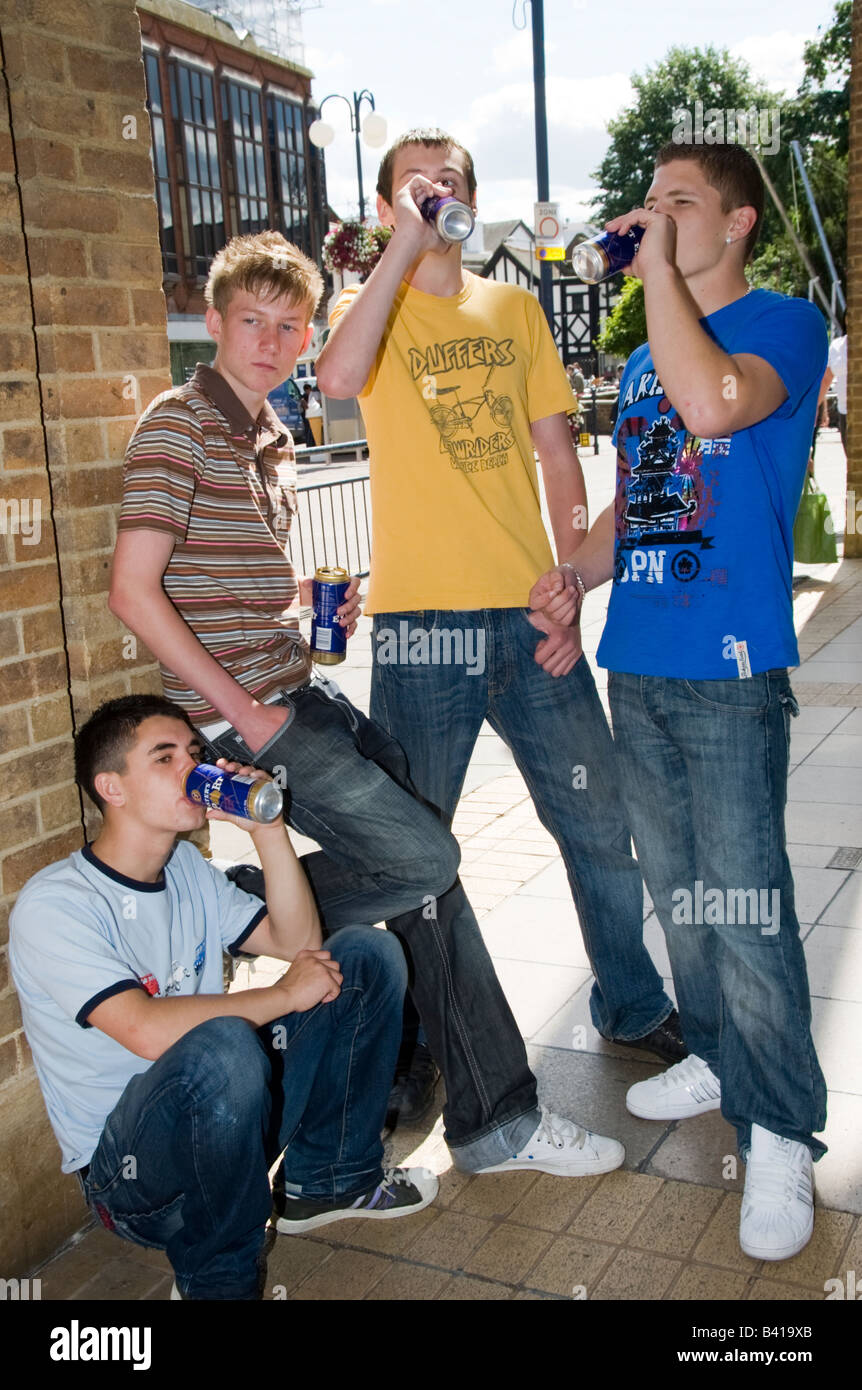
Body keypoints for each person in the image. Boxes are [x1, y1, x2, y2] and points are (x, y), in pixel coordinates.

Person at [108, 229, 625, 1180]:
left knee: (429, 878)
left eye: (288, 325)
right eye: (250, 321)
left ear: (306, 337)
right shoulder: (178, 424)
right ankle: (218, 914)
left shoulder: (267, 436)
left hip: (297, 690)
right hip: (250, 719)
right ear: (214, 324)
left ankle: (493, 1123)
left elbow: (218, 587)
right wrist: (248, 717)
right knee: (426, 856)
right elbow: (132, 591)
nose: (268, 340)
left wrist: (304, 615)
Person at [315, 127, 685, 1121]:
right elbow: (338, 383)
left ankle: (631, 1000)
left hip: (530, 616)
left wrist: (568, 574)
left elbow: (559, 457)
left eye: (450, 180)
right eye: (413, 181)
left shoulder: (513, 307)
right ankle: (422, 1040)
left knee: (598, 825)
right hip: (418, 624)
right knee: (417, 847)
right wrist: (397, 243)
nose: (435, 191)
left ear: (474, 196)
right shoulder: (372, 306)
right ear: (389, 201)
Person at [530, 141, 827, 1261]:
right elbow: (638, 498)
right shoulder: (654, 354)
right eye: (647, 203)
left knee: (745, 903)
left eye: (681, 203)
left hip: (730, 667)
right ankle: (712, 1053)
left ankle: (782, 1126)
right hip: (638, 660)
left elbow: (712, 411)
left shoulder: (780, 327)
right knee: (682, 892)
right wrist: (576, 576)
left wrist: (651, 271)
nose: (653, 218)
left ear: (740, 221)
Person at [9, 695, 437, 1300]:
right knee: (224, 1044)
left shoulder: (187, 870)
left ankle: (330, 1179)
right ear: (113, 787)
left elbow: (301, 946)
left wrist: (269, 832)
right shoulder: (55, 904)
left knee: (363, 957)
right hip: (135, 1179)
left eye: (193, 752)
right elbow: (147, 1030)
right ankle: (219, 1282)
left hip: (226, 1127)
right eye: (164, 757)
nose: (192, 767)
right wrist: (281, 998)